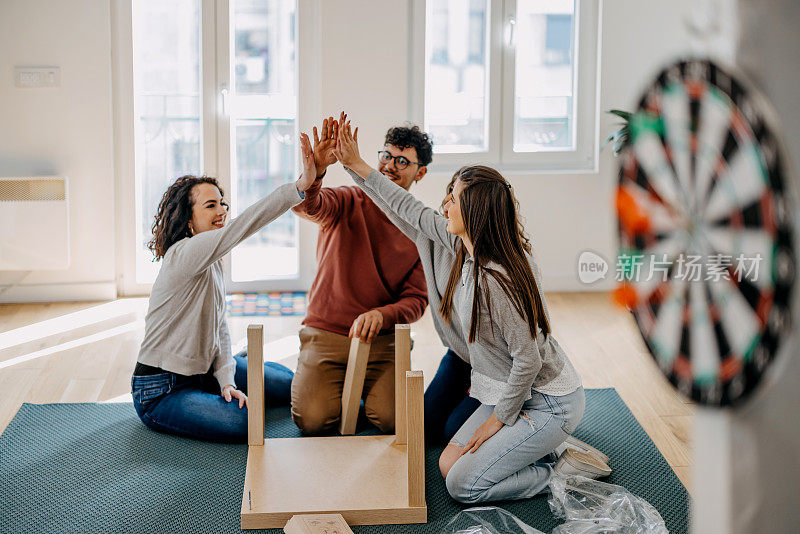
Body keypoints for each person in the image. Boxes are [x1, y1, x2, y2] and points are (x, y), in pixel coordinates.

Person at [334, 117, 608, 504]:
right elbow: (402, 206)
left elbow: (528, 359)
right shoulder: (460, 243)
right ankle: (534, 448)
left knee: (463, 485)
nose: (444, 204)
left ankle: (558, 471)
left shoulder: (498, 278)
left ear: (475, 212)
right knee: (448, 463)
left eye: (453, 199)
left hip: (547, 399)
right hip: (497, 378)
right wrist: (354, 166)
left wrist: (498, 420)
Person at [130, 134, 318, 443]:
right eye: (210, 205)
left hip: (203, 373)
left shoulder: (212, 263)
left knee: (294, 387)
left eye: (222, 203)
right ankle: (228, 375)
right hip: (161, 390)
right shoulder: (185, 254)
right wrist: (298, 187)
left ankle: (231, 372)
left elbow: (219, 330)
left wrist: (227, 382)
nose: (222, 210)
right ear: (189, 220)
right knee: (242, 421)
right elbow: (241, 227)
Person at [288, 117, 429, 434]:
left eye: (403, 161)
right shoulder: (347, 199)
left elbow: (417, 300)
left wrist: (382, 315)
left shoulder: (421, 228)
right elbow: (308, 206)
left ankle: (365, 389)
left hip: (383, 342)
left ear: (420, 173)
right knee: (312, 420)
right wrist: (317, 173)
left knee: (392, 420)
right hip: (326, 333)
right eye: (387, 155)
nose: (391, 165)